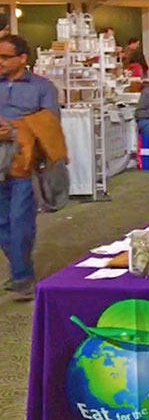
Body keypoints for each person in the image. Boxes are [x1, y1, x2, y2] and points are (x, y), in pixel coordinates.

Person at [0, 35, 63, 299]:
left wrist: (15, 130)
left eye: (5, 57)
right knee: (2, 221)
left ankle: (22, 277)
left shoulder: (42, 87)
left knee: (21, 219)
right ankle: (20, 270)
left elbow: (51, 124)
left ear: (23, 58)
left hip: (26, 163)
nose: (0, 62)